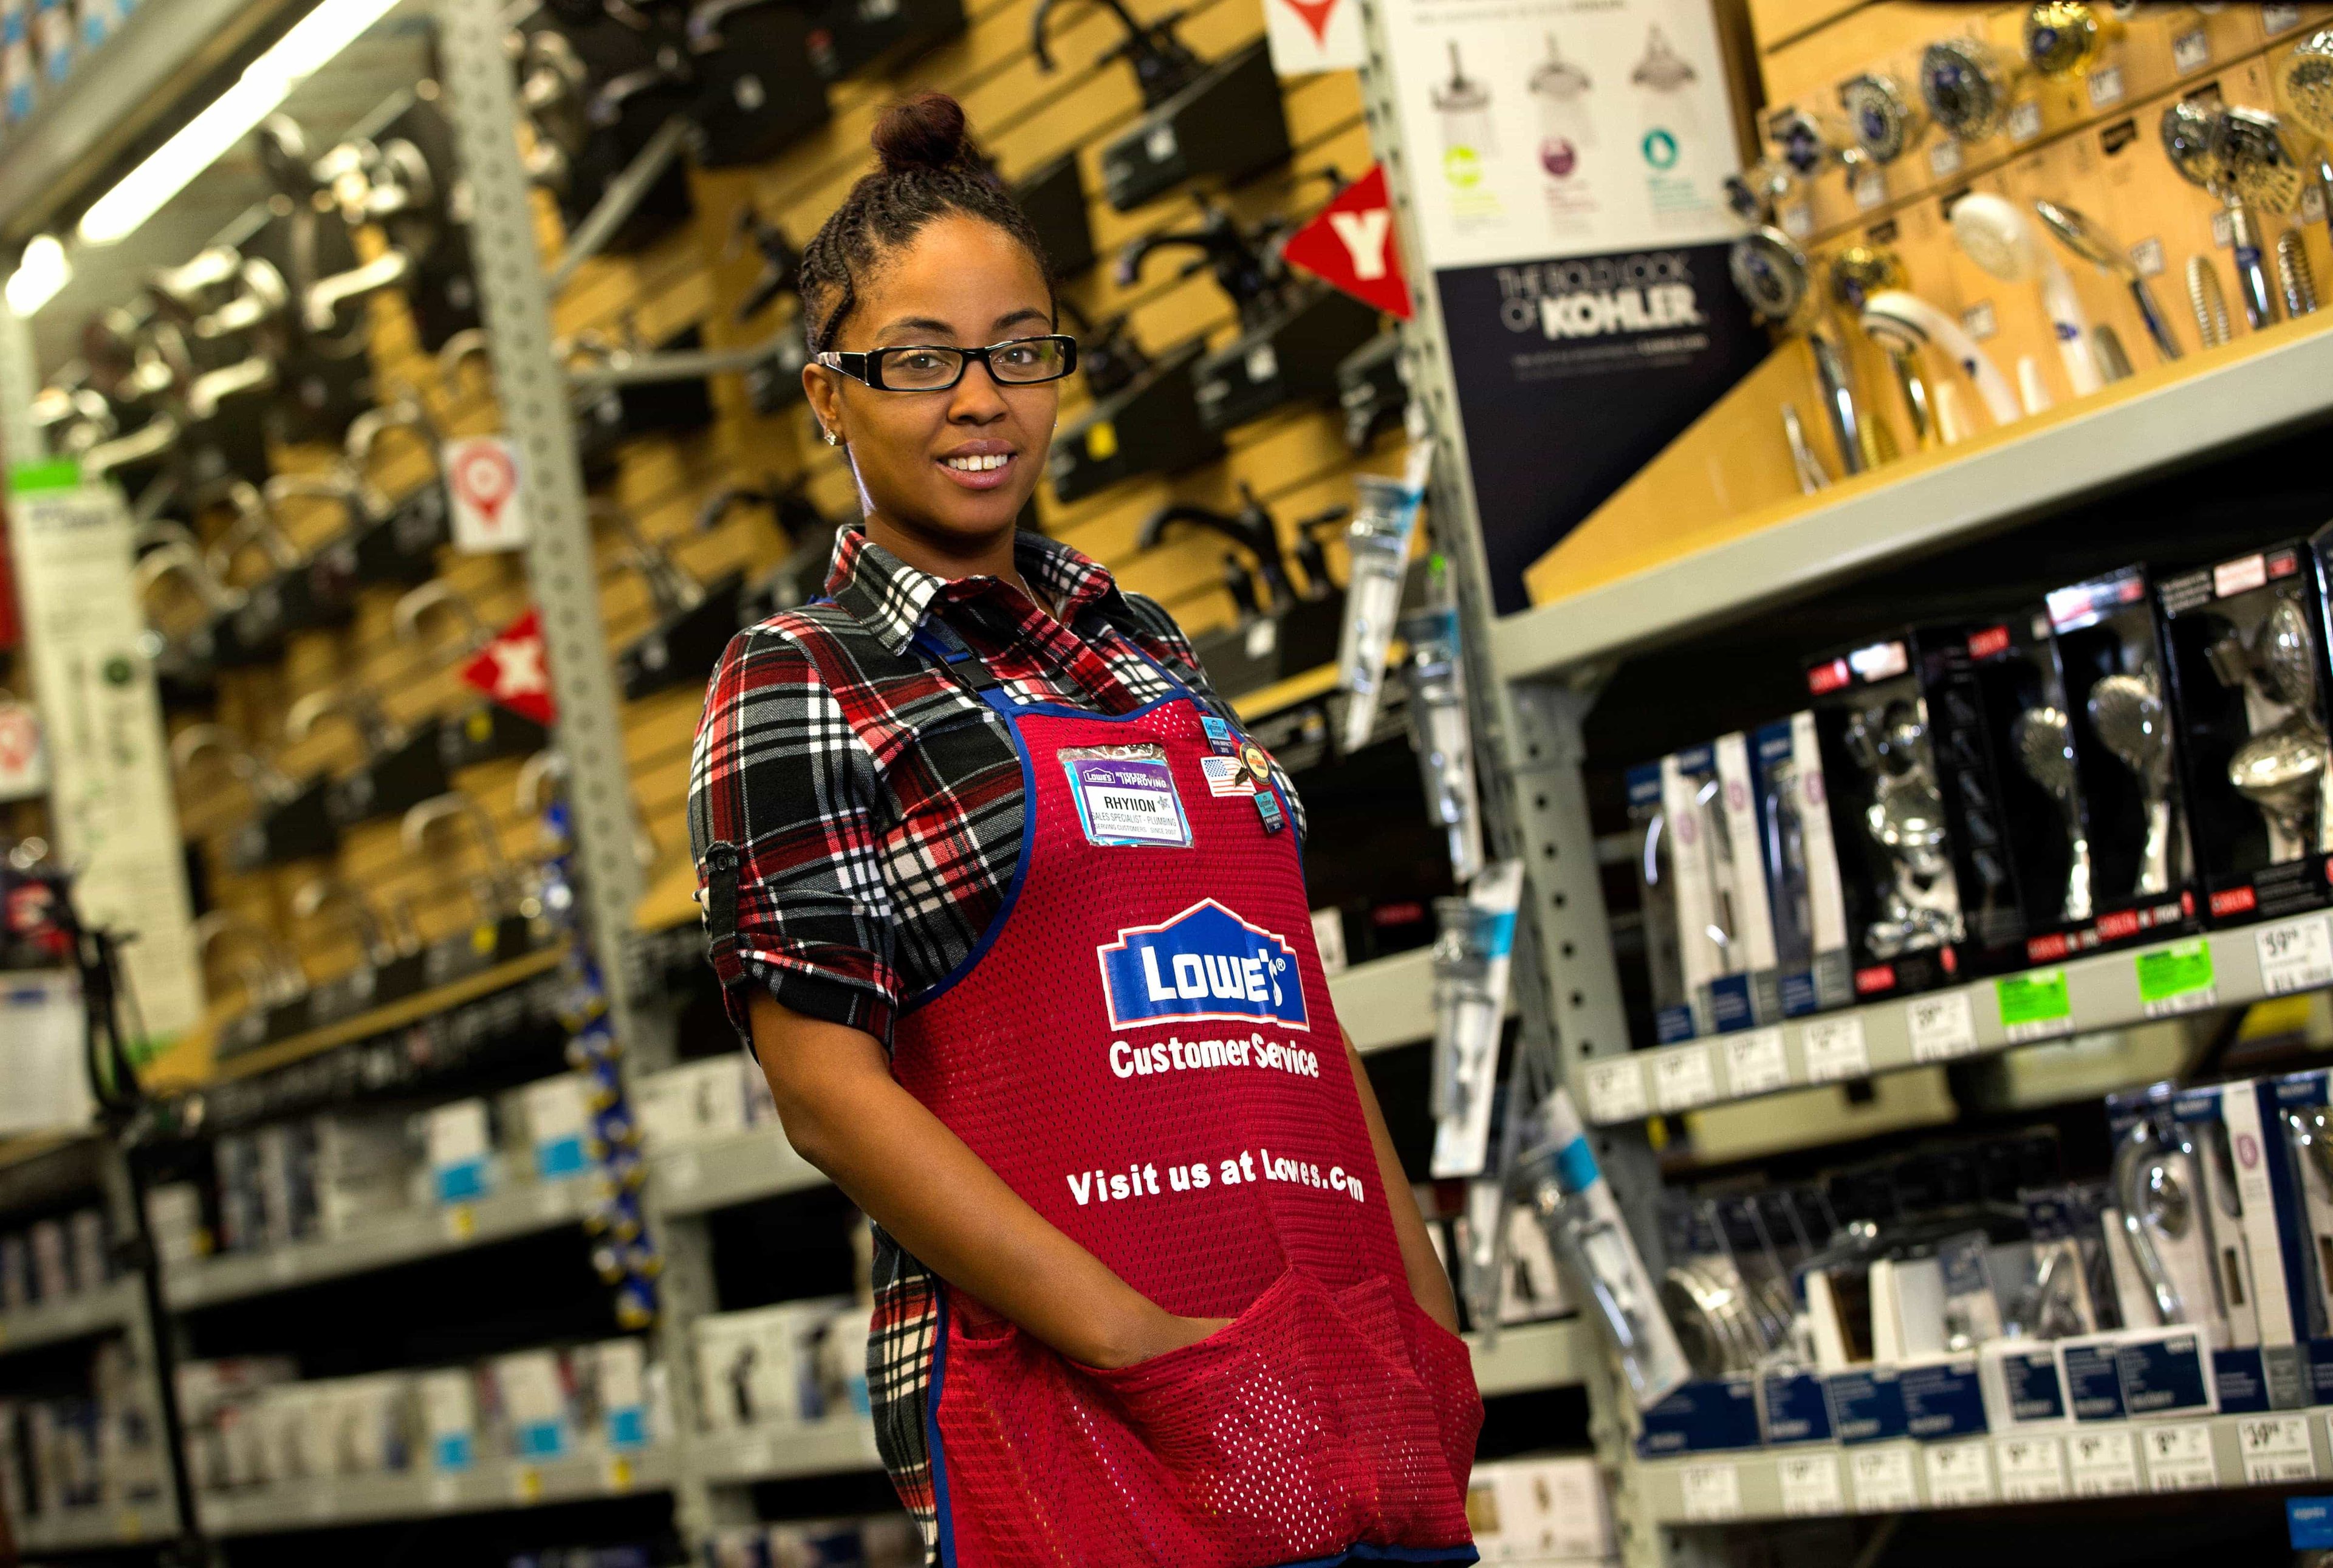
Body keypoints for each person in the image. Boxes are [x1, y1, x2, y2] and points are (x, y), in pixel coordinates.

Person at [690, 91, 1481, 1568]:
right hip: (1085, 1422)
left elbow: (1289, 1000)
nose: (982, 400)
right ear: (828, 397)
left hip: (1344, 1404)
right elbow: (828, 1096)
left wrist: (1427, 1318)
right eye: (921, 361)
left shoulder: (1143, 647)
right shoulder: (805, 676)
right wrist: (1145, 1347)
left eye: (1020, 353)